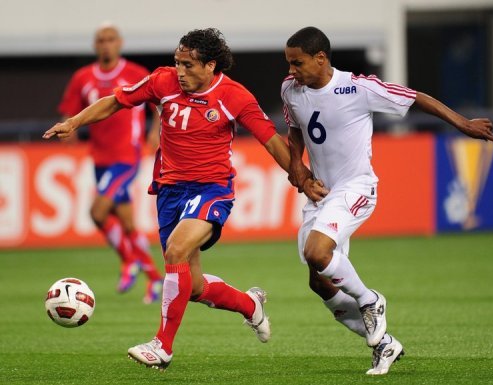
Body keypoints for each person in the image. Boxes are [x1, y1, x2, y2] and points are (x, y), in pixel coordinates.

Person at [44, 27, 315, 371]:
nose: (181, 72)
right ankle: (250, 305)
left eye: (188, 65)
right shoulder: (162, 82)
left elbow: (273, 141)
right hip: (169, 191)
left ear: (211, 65)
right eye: (178, 63)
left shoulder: (235, 97)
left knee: (175, 249)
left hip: (212, 189)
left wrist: (301, 176)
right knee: (196, 287)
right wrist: (75, 122)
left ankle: (162, 347)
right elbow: (117, 99)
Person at [281, 26, 493, 376]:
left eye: (297, 63)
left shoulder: (358, 87)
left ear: (320, 58)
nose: (291, 70)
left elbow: (414, 97)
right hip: (321, 195)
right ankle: (385, 344)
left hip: (356, 188)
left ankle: (371, 300)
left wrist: (462, 123)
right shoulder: (291, 89)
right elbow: (294, 133)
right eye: (289, 63)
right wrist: (299, 171)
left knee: (317, 252)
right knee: (318, 281)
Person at [57, 24, 163, 303]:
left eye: (110, 39)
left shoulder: (137, 73)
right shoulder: (83, 77)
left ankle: (129, 261)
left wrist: (154, 132)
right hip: (100, 158)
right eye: (101, 40)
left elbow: (158, 105)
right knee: (128, 224)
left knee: (97, 212)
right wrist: (69, 130)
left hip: (126, 156)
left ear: (119, 43)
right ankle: (154, 279)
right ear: (95, 46)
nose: (106, 44)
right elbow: (70, 109)